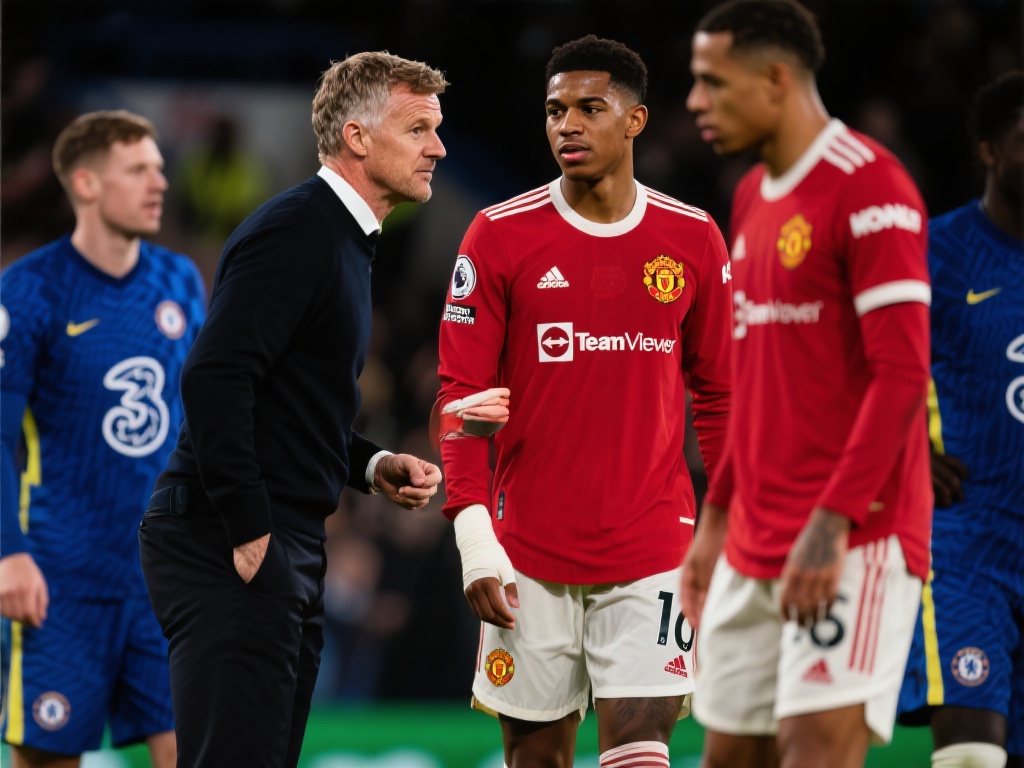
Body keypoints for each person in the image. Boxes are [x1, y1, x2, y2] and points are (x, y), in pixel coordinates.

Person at [137, 51, 447, 768]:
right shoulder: (299, 229)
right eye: (418, 129)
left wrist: (370, 464)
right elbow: (215, 376)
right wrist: (249, 526)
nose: (437, 147)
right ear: (357, 137)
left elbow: (287, 405)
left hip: (281, 537)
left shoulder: (340, 239)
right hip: (232, 535)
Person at [435, 34, 733, 768]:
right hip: (526, 551)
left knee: (640, 749)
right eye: (554, 110)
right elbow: (463, 396)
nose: (567, 124)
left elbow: (721, 396)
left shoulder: (692, 238)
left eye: (589, 108)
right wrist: (473, 534)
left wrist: (732, 520)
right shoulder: (498, 235)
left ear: (634, 120)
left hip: (653, 544)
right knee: (537, 759)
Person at [679, 2, 934, 767]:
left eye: (712, 82)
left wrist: (832, 524)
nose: (695, 101)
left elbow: (902, 375)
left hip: (855, 535)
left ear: (775, 79)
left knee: (814, 754)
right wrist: (716, 517)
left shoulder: (872, 188)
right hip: (755, 533)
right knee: (729, 756)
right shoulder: (751, 195)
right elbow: (758, 385)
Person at [0, 110, 206, 768]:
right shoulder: (29, 290)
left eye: (159, 168)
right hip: (61, 580)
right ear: (86, 184)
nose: (159, 183)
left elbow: (208, 420)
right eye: (138, 170)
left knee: (197, 751)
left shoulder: (180, 281)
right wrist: (9, 553)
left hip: (165, 577)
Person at [896, 70, 1024, 768]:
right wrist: (901, 449)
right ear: (988, 149)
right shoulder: (933, 254)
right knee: (973, 753)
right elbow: (846, 369)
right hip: (967, 540)